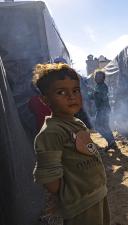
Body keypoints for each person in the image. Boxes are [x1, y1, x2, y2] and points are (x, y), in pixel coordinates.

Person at [32, 63, 109, 225]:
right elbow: (51, 182)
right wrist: (72, 195)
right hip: (80, 206)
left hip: (97, 195)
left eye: (75, 90)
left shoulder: (77, 123)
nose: (71, 96)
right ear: (45, 100)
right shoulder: (51, 132)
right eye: (61, 92)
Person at [90, 70, 117, 149]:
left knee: (99, 126)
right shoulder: (97, 86)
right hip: (101, 109)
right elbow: (93, 96)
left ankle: (111, 141)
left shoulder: (103, 86)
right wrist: (91, 94)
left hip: (104, 110)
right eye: (96, 76)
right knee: (105, 126)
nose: (97, 78)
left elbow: (102, 96)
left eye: (99, 76)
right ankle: (111, 142)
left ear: (103, 78)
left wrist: (95, 93)